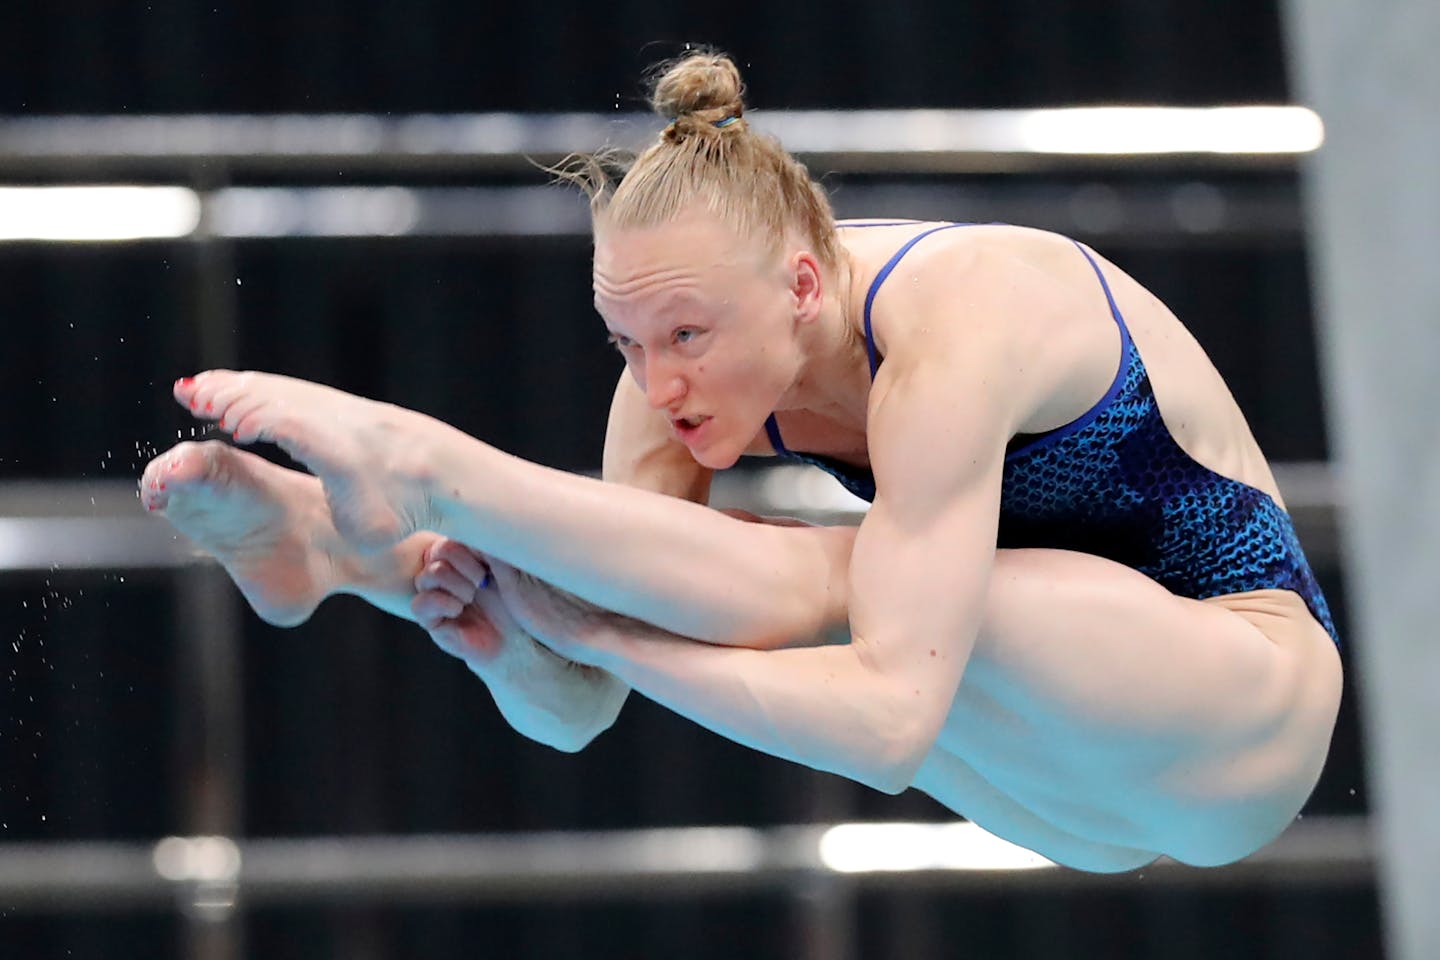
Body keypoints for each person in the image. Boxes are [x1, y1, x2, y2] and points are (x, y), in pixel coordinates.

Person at [140, 49, 1341, 874]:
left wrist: (604, 629)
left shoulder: (958, 322)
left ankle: (426, 473)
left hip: (1241, 712)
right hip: (1076, 798)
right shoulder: (671, 379)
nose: (660, 383)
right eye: (626, 342)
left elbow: (883, 721)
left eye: (685, 339)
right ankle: (350, 558)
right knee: (712, 581)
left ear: (803, 284)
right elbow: (577, 718)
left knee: (825, 587)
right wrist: (514, 644)